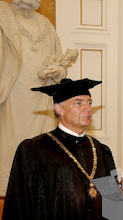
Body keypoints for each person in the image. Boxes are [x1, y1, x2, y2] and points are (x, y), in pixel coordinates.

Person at [1, 78, 123, 220]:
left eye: (89, 102)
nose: (87, 108)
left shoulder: (102, 151)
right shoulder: (36, 149)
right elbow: (24, 206)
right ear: (58, 108)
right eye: (78, 103)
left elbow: (114, 206)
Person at [0, 0, 78, 194]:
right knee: (10, 148)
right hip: (12, 95)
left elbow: (60, 62)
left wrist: (57, 70)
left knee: (41, 150)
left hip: (41, 99)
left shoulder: (45, 24)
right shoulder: (4, 15)